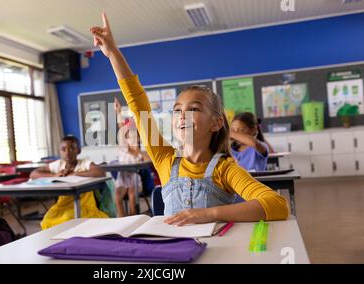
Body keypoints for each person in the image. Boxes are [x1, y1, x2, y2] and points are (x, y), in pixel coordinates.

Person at [90, 13, 289, 226]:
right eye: (177, 110)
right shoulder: (164, 159)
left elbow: (278, 205)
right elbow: (138, 104)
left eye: (193, 108)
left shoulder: (226, 169)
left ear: (216, 123)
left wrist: (209, 214)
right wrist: (113, 54)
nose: (182, 114)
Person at [30, 136, 108, 229]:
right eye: (63, 149)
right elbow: (33, 174)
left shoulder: (84, 163)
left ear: (78, 150)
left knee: (68, 218)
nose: (67, 153)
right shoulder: (58, 164)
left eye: (71, 148)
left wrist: (74, 173)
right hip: (63, 205)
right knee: (47, 220)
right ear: (60, 151)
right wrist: (54, 176)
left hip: (84, 204)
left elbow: (100, 172)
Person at [113, 97, 150, 217]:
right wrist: (118, 112)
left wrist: (137, 150)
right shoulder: (124, 148)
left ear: (139, 139)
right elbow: (121, 127)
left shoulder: (141, 152)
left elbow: (149, 161)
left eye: (135, 137)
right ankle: (122, 220)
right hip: (122, 179)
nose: (132, 139)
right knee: (117, 197)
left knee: (132, 196)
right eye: (129, 137)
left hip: (135, 179)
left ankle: (134, 219)